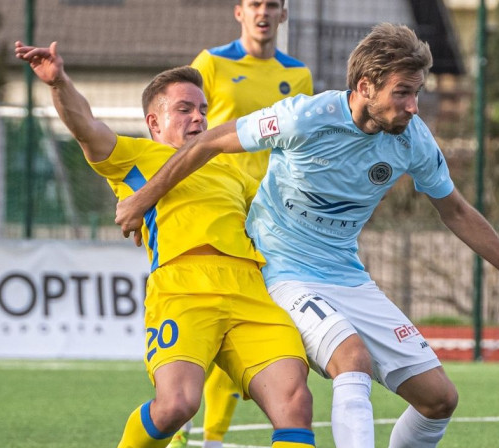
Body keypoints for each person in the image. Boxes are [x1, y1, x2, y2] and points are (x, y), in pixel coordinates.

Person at [115, 23, 499, 448]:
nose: (413, 106)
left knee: (439, 400)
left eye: (417, 93)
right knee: (350, 358)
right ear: (364, 87)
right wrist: (143, 199)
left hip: (346, 274)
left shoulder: (413, 139)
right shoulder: (304, 118)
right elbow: (209, 141)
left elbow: (455, 210)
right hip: (280, 268)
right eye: (402, 93)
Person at [14, 41, 316, 448]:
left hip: (249, 289)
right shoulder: (135, 156)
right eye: (185, 109)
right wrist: (58, 82)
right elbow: (85, 124)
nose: (199, 117)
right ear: (154, 123)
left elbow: (278, 222)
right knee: (176, 404)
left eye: (203, 110)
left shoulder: (230, 170)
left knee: (295, 403)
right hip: (182, 289)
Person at [173, 0, 313, 446]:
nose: (264, 12)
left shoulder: (300, 75)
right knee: (203, 321)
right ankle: (178, 435)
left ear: (283, 15)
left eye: (273, 5)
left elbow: (300, 145)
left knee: (245, 324)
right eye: (255, 3)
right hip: (217, 209)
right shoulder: (210, 63)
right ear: (239, 11)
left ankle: (213, 439)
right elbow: (185, 131)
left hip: (270, 220)